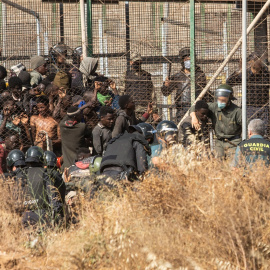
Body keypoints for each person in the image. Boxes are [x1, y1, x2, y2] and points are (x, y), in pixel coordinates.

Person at [190, 84, 242, 159]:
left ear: (229, 99)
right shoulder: (214, 107)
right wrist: (193, 117)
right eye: (219, 99)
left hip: (234, 142)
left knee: (232, 165)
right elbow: (194, 107)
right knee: (218, 163)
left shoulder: (237, 111)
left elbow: (246, 126)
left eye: (223, 100)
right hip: (219, 142)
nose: (220, 102)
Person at [93, 128, 151, 194]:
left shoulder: (114, 141)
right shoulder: (137, 142)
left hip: (102, 176)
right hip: (121, 176)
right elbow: (142, 168)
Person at [161, 47, 208, 121]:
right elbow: (165, 92)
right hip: (182, 110)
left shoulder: (199, 75)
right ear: (182, 61)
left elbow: (204, 92)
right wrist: (166, 85)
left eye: (190, 59)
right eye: (186, 59)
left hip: (197, 109)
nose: (188, 61)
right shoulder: (178, 76)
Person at [21, 146, 64, 228]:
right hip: (43, 215)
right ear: (42, 159)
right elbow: (53, 196)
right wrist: (58, 215)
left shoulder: (21, 174)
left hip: (24, 215)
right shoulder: (44, 173)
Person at [226, 53, 270, 125]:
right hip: (249, 108)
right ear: (250, 62)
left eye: (259, 60)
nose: (257, 62)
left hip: (263, 108)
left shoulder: (265, 75)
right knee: (248, 129)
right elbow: (229, 82)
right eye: (255, 60)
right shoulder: (245, 74)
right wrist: (239, 70)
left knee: (263, 131)